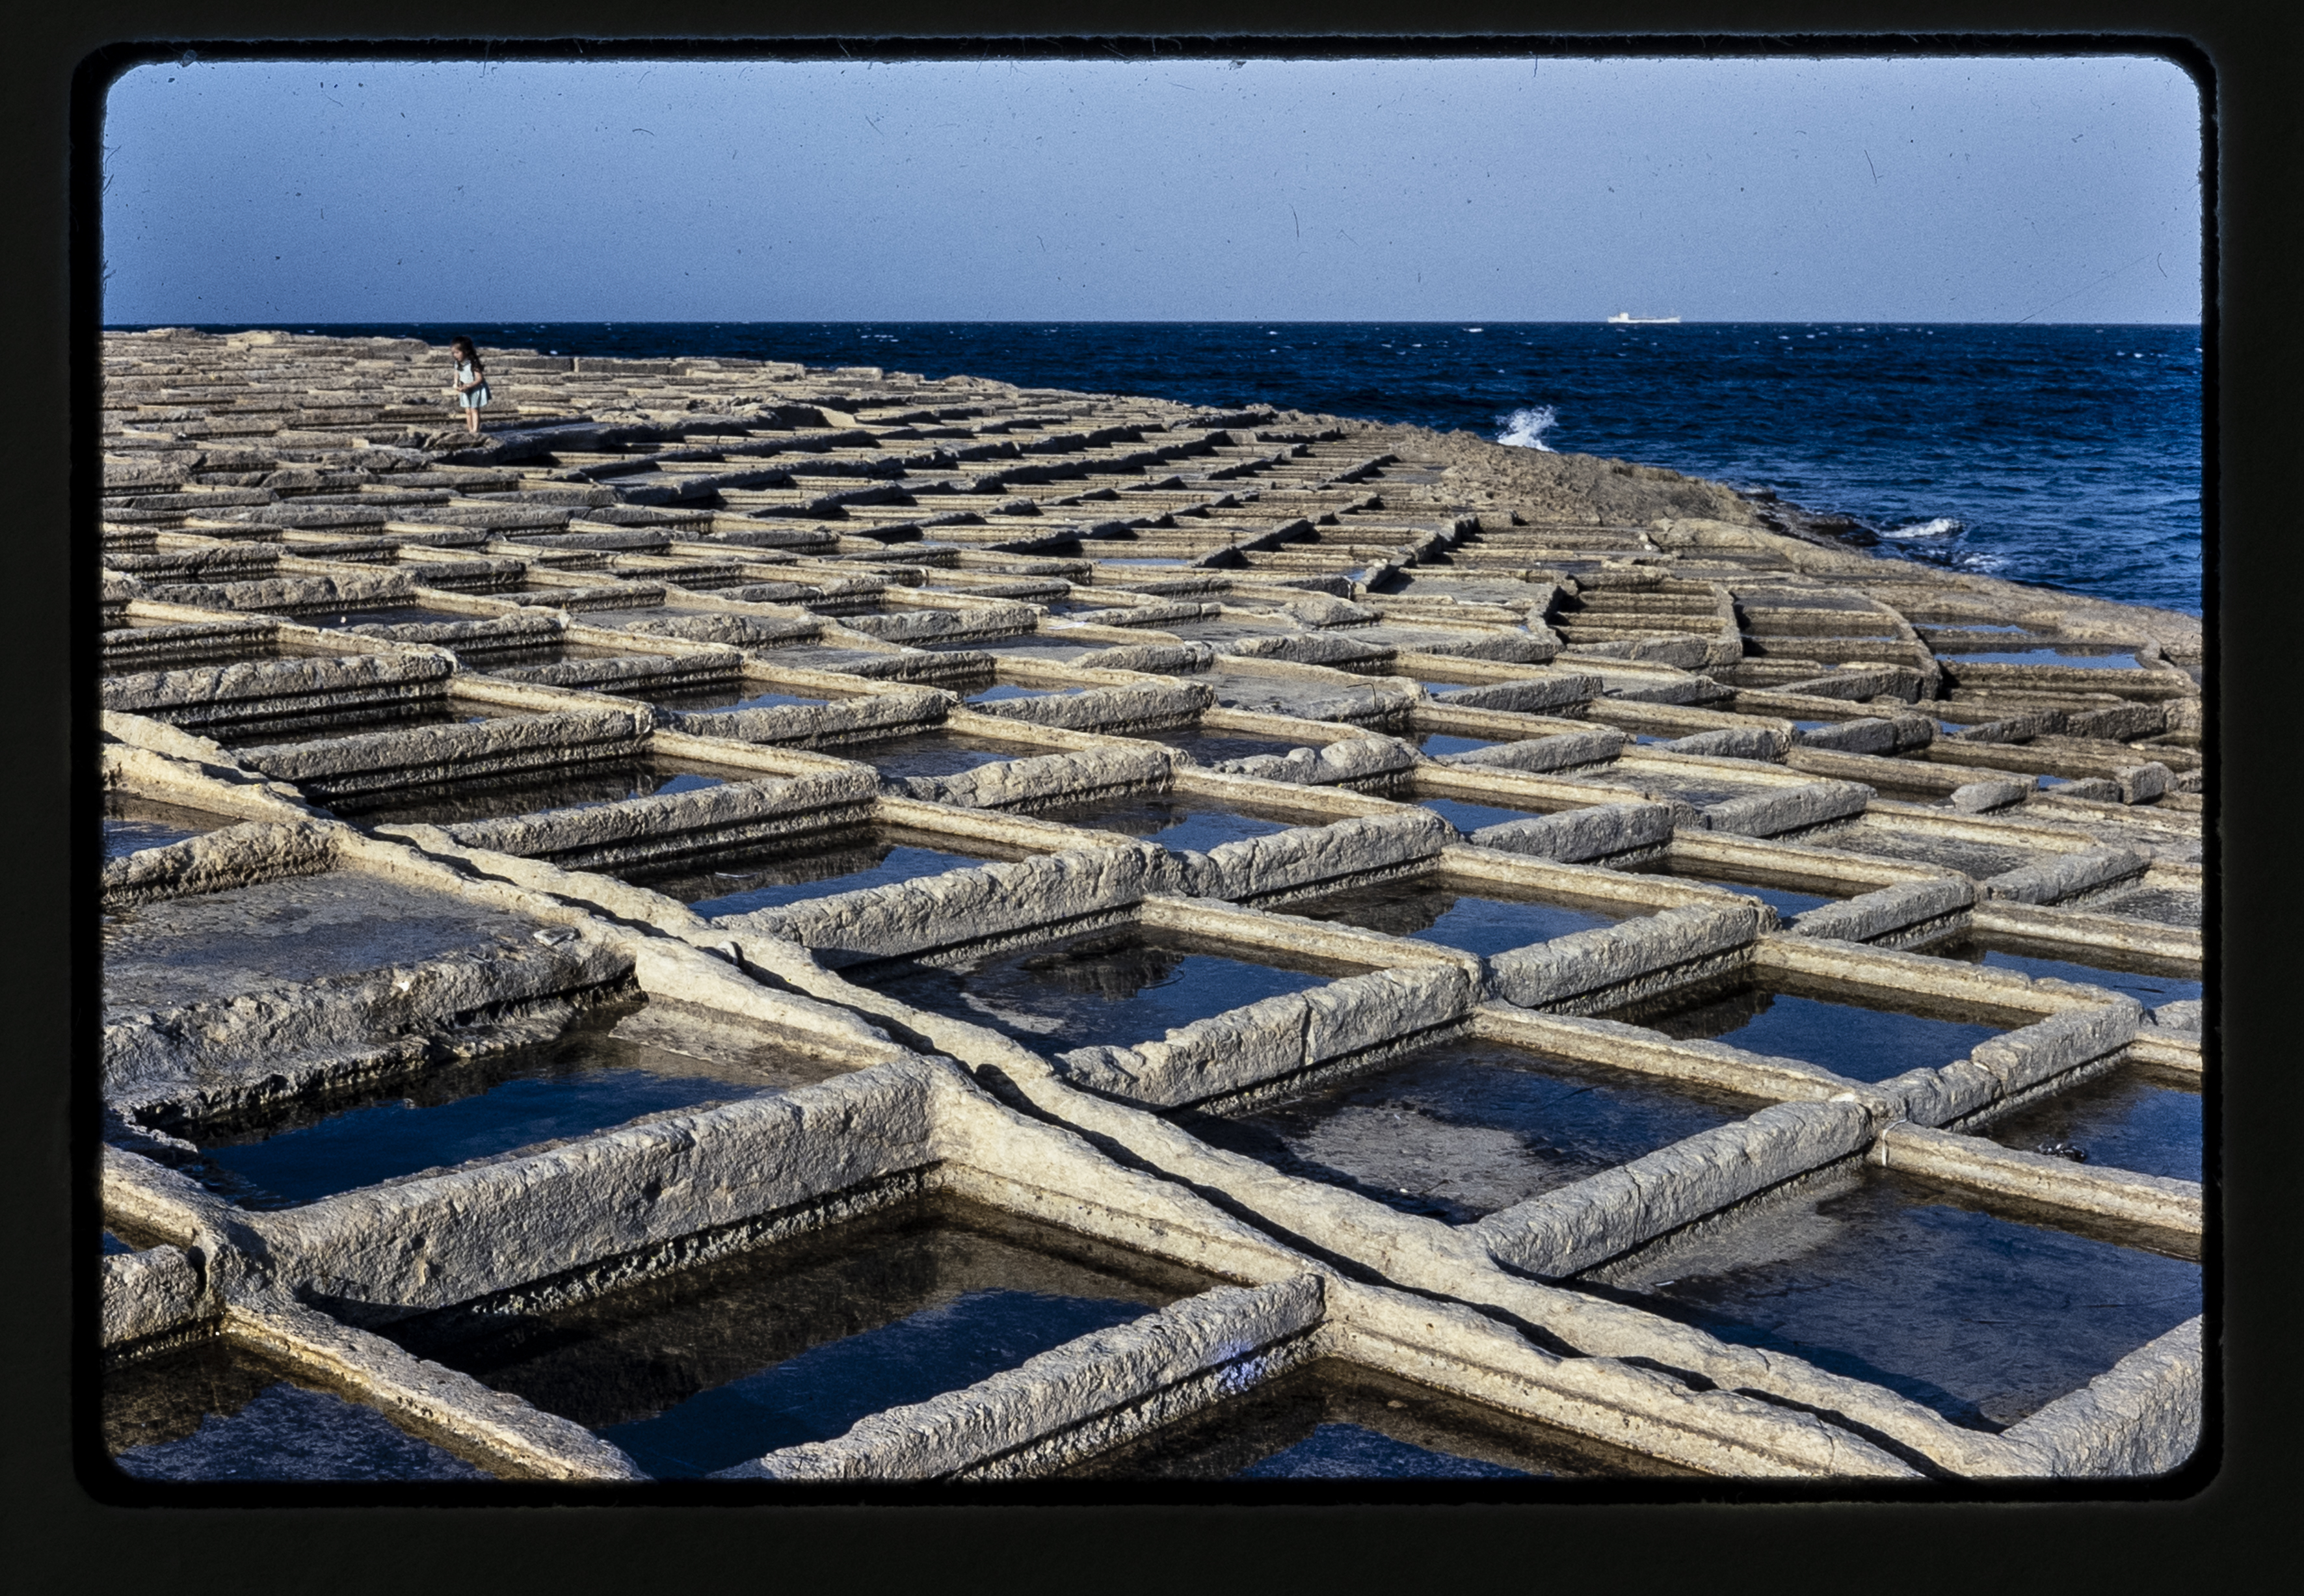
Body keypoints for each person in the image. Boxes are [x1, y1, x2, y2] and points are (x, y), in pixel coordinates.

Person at [447, 337, 491, 433]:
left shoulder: (472, 363)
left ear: (466, 351)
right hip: (465, 389)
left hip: (475, 389)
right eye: (453, 353)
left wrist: (469, 385)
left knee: (474, 409)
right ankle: (470, 429)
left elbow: (479, 379)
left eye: (457, 353)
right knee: (468, 411)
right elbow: (457, 373)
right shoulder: (457, 363)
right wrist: (456, 383)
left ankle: (475, 430)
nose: (455, 355)